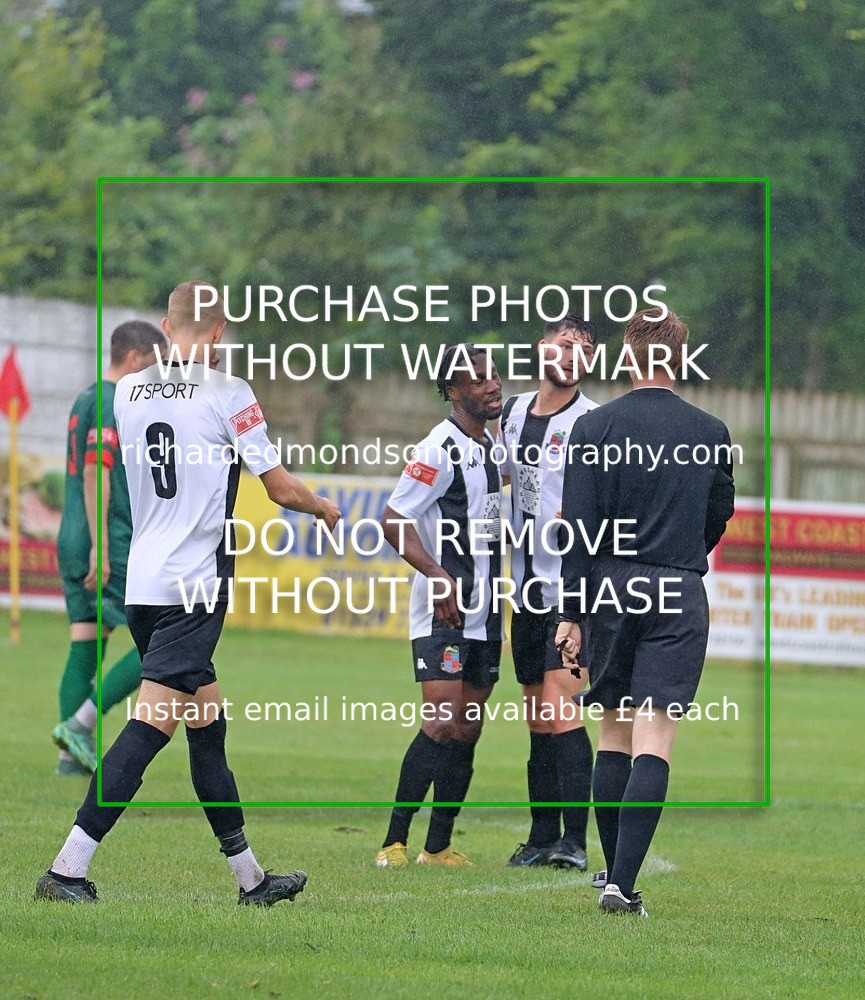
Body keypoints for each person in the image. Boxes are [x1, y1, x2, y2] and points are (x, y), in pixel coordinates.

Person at [35, 280, 341, 905]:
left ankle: (251, 880)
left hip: (145, 582)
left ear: (166, 329)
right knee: (150, 727)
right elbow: (278, 488)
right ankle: (66, 869)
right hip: (194, 588)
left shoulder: (125, 391)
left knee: (208, 722)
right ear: (220, 333)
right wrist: (322, 506)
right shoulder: (230, 393)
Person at [555, 308, 735, 917]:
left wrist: (571, 612)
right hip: (678, 588)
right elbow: (719, 516)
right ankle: (620, 883)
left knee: (613, 731)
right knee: (656, 737)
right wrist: (683, 555)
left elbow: (575, 528)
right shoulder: (711, 432)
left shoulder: (596, 427)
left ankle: (614, 875)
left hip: (610, 587)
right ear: (681, 358)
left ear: (628, 356)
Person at [376, 344, 504, 867]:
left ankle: (439, 845)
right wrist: (437, 576)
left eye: (494, 374)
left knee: (469, 728)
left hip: (489, 610)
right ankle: (393, 842)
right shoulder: (437, 450)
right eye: (477, 379)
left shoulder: (494, 447)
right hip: (445, 613)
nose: (492, 384)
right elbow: (393, 519)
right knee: (440, 724)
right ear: (453, 392)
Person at [498, 316, 598, 869]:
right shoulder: (512, 414)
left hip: (572, 591)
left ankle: (575, 843)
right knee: (537, 714)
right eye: (564, 343)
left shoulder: (593, 422)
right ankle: (540, 837)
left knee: (564, 708)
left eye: (584, 349)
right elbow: (503, 478)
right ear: (541, 349)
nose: (573, 354)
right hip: (527, 590)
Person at [53, 321, 166, 775]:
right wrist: (103, 547)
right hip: (106, 539)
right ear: (136, 358)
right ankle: (80, 725)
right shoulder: (110, 399)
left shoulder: (85, 396)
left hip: (72, 536)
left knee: (86, 642)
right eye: (155, 366)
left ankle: (69, 756)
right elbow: (96, 472)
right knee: (161, 642)